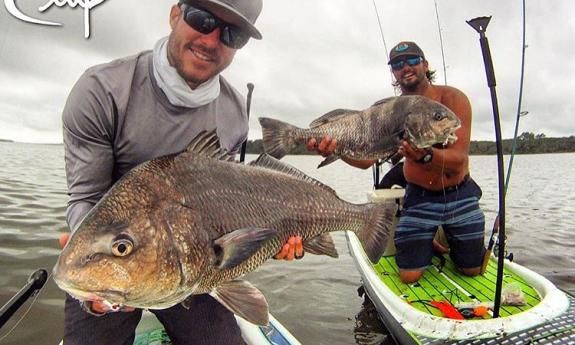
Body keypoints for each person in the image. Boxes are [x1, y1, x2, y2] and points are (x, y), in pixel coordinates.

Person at [58, 1, 302, 344]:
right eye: (202, 20)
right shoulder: (102, 91)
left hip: (195, 260)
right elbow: (85, 197)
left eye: (233, 34)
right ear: (175, 14)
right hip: (121, 254)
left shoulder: (233, 113)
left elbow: (227, 205)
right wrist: (96, 283)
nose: (212, 40)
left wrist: (275, 234)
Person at [307, 41, 485, 284]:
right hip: (420, 198)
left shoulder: (452, 98)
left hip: (459, 194)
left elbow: (458, 160)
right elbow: (366, 161)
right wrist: (336, 149)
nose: (405, 67)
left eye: (412, 60)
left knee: (472, 271)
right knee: (409, 277)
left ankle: (441, 238)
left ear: (425, 64)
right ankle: (426, 239)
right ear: (393, 71)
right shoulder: (392, 111)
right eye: (397, 64)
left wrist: (425, 155)